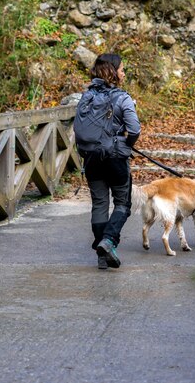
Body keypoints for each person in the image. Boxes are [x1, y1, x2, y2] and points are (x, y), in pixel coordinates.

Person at [76, 53, 140, 270]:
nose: (124, 72)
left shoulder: (86, 97)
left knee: (100, 204)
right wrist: (128, 143)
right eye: (121, 69)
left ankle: (101, 256)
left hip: (91, 159)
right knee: (123, 203)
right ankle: (108, 241)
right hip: (115, 159)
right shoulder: (123, 98)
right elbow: (135, 129)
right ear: (113, 72)